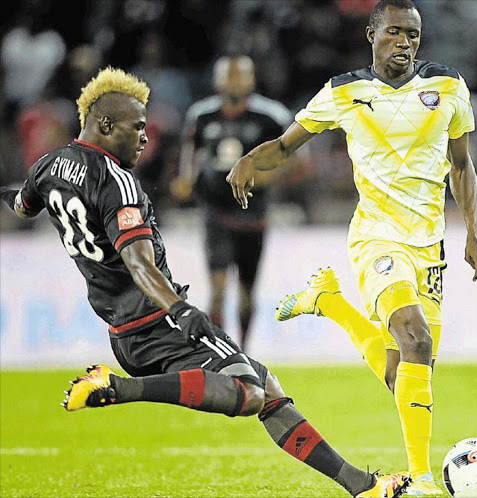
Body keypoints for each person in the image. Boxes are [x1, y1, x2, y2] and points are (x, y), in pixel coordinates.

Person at [0, 66, 410, 498]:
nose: (145, 137)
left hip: (124, 330)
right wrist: (179, 309)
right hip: (159, 322)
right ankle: (117, 388)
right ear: (105, 124)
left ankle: (362, 486)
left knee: (267, 389)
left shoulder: (49, 166)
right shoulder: (118, 182)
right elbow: (139, 264)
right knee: (250, 393)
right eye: (137, 127)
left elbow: (24, 206)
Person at [226, 0, 477, 495]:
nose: (405, 43)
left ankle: (327, 302)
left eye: (413, 35)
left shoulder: (448, 87)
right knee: (416, 340)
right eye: (394, 33)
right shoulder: (343, 91)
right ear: (371, 35)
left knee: (406, 375)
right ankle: (419, 480)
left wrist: (474, 232)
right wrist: (248, 161)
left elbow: (462, 165)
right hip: (376, 236)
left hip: (429, 244)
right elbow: (287, 144)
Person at [171, 54, 302, 351]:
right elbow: (189, 152)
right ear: (217, 80)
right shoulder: (201, 115)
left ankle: (244, 350)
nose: (233, 81)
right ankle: (221, 354)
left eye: (239, 75)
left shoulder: (271, 116)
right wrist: (185, 179)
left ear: (251, 79)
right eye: (227, 76)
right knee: (217, 290)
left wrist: (264, 178)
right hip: (215, 214)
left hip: (253, 215)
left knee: (246, 293)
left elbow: (297, 157)